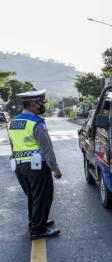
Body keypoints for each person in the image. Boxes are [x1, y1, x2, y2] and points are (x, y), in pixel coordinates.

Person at [7, 90, 62, 240]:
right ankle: (38, 230)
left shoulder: (12, 122)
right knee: (42, 196)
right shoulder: (36, 123)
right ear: (32, 104)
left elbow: (12, 146)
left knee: (32, 196)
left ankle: (35, 222)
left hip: (20, 166)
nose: (42, 106)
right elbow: (46, 148)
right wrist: (55, 169)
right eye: (40, 103)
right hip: (36, 167)